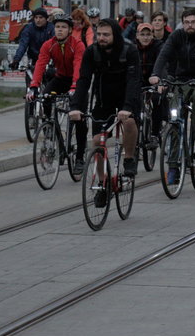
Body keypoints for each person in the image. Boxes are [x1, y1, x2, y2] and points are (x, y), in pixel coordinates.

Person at [69, 19, 140, 207]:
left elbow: (134, 81)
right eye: (99, 34)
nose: (101, 38)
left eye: (106, 35)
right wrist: (75, 107)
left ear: (115, 35)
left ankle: (130, 158)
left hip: (127, 97)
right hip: (103, 99)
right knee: (97, 141)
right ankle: (103, 183)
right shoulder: (92, 52)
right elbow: (83, 80)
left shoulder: (129, 50)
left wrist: (127, 107)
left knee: (130, 123)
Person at [150, 9, 195, 163]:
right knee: (175, 116)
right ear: (183, 23)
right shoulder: (177, 36)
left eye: (193, 22)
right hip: (181, 80)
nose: (190, 25)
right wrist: (155, 74)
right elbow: (163, 55)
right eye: (186, 22)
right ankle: (173, 162)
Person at [28, 14, 87, 171]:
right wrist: (34, 86)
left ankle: (80, 157)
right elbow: (41, 63)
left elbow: (78, 65)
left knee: (79, 117)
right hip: (60, 78)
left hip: (78, 80)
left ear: (69, 30)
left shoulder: (78, 44)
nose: (60, 30)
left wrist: (74, 86)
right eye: (57, 27)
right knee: (45, 97)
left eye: (63, 27)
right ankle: (50, 128)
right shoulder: (49, 44)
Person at [135, 22, 163, 147]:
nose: (145, 37)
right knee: (133, 104)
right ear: (137, 35)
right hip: (138, 81)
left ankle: (155, 134)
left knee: (157, 100)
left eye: (148, 34)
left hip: (154, 80)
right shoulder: (132, 48)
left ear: (152, 35)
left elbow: (162, 64)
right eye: (142, 34)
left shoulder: (158, 46)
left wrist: (160, 81)